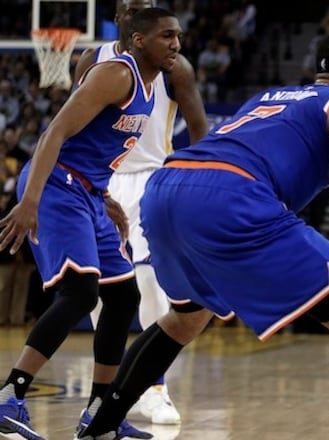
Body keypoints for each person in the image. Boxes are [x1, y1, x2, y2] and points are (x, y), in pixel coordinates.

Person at [75, 30, 329, 440]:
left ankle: (98, 429)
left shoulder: (268, 98)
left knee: (184, 319)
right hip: (230, 192)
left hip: (166, 186)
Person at [0, 7, 182, 440]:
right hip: (57, 184)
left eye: (178, 35)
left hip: (89, 191)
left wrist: (105, 197)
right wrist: (29, 200)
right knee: (81, 292)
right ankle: (10, 396)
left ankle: (100, 416)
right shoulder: (116, 74)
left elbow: (94, 146)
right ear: (139, 40)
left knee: (122, 297)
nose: (176, 44)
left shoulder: (153, 85)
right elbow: (56, 132)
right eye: (166, 36)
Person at [72, 0, 209, 426]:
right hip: (101, 178)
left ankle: (155, 389)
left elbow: (199, 128)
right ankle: (108, 388)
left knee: (151, 284)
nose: (138, 12)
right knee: (100, 288)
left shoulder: (174, 67)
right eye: (131, 7)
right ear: (118, 16)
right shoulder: (93, 59)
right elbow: (73, 121)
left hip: (152, 178)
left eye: (146, 7)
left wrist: (202, 184)